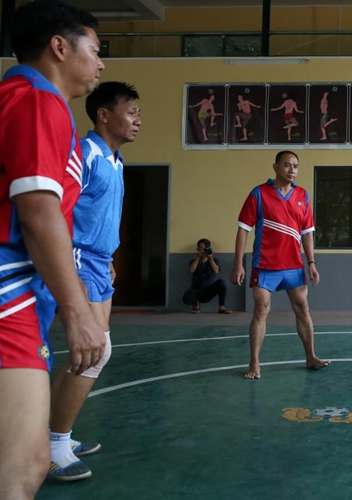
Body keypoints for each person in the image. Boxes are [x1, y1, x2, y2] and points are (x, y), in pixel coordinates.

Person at [0, 2, 107, 497]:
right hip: (9, 295)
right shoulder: (37, 101)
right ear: (59, 47)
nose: (101, 63)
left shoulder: (25, 98)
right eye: (95, 50)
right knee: (24, 466)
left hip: (21, 294)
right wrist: (78, 310)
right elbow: (39, 213)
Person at [46, 81, 141, 482]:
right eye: (131, 112)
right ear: (104, 115)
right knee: (94, 351)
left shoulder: (115, 160)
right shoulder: (84, 153)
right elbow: (57, 211)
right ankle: (51, 445)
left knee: (92, 353)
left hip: (100, 263)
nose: (138, 120)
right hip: (78, 258)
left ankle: (55, 437)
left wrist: (110, 258)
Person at [231, 151, 329, 380]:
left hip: (294, 266)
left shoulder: (302, 196)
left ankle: (310, 357)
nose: (292, 169)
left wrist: (311, 263)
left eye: (295, 166)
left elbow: (307, 234)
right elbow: (243, 229)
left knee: (303, 309)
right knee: (261, 310)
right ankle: (254, 363)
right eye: (287, 165)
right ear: (275, 167)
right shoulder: (259, 193)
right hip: (264, 265)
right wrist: (238, 264)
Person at [183, 238, 231, 314]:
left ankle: (221, 307)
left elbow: (216, 271)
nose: (204, 251)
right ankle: (196, 305)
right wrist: (199, 257)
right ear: (198, 249)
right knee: (186, 297)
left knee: (221, 282)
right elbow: (191, 270)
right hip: (196, 290)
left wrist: (210, 258)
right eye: (202, 249)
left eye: (206, 249)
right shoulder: (193, 261)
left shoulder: (214, 260)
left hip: (209, 290)